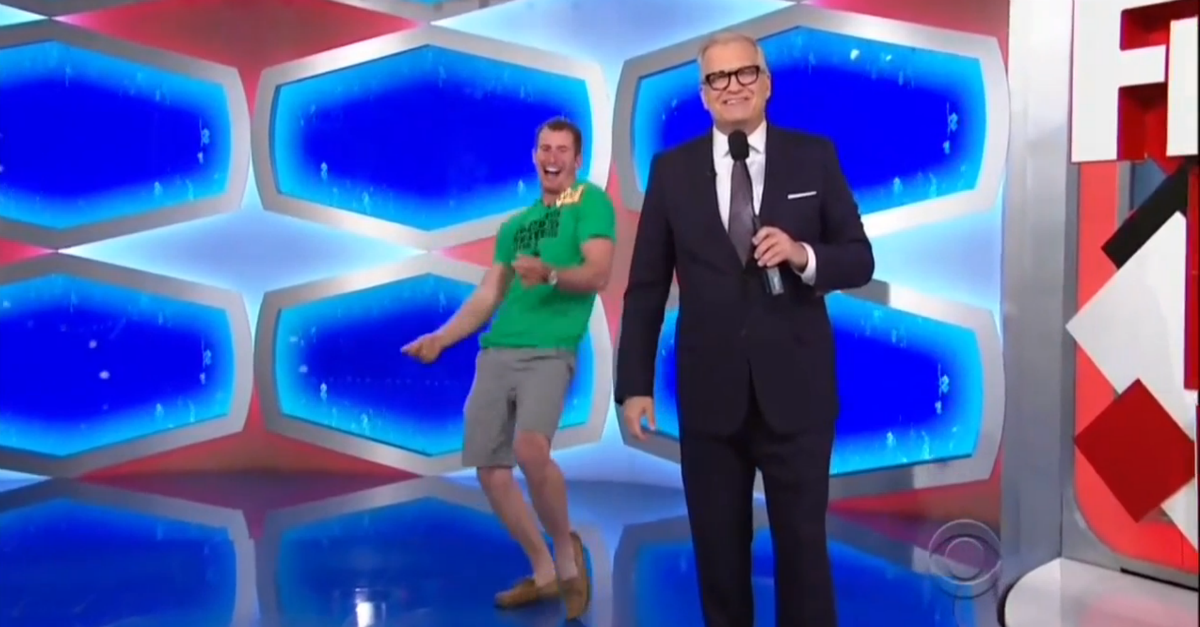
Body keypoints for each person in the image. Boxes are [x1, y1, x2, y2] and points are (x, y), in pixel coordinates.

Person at [615, 32, 875, 627]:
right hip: (711, 397)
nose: (732, 87)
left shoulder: (814, 156)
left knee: (803, 554)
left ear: (767, 83)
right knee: (718, 558)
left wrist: (803, 254)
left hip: (798, 395)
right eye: (718, 78)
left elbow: (859, 259)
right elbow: (647, 285)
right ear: (704, 94)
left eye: (744, 74)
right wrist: (634, 386)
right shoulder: (671, 171)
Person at [402, 117, 615, 621]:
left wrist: (551, 273)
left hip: (550, 350)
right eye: (545, 148)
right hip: (497, 352)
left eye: (562, 149)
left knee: (530, 448)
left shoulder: (590, 202)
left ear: (577, 159)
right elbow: (488, 295)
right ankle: (542, 571)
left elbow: (598, 273)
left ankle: (568, 560)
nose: (552, 157)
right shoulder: (515, 226)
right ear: (534, 156)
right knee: (490, 469)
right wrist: (441, 339)